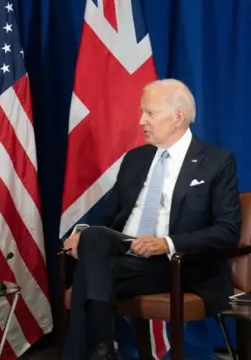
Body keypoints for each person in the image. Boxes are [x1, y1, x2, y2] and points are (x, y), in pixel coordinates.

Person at [62, 79, 241, 360]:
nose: (141, 121)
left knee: (89, 273)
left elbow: (227, 231)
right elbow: (108, 218)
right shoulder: (136, 158)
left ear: (178, 117)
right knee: (93, 239)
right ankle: (102, 349)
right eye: (141, 112)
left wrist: (165, 243)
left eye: (150, 113)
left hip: (175, 264)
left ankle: (97, 351)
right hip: (125, 254)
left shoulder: (216, 161)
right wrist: (82, 232)